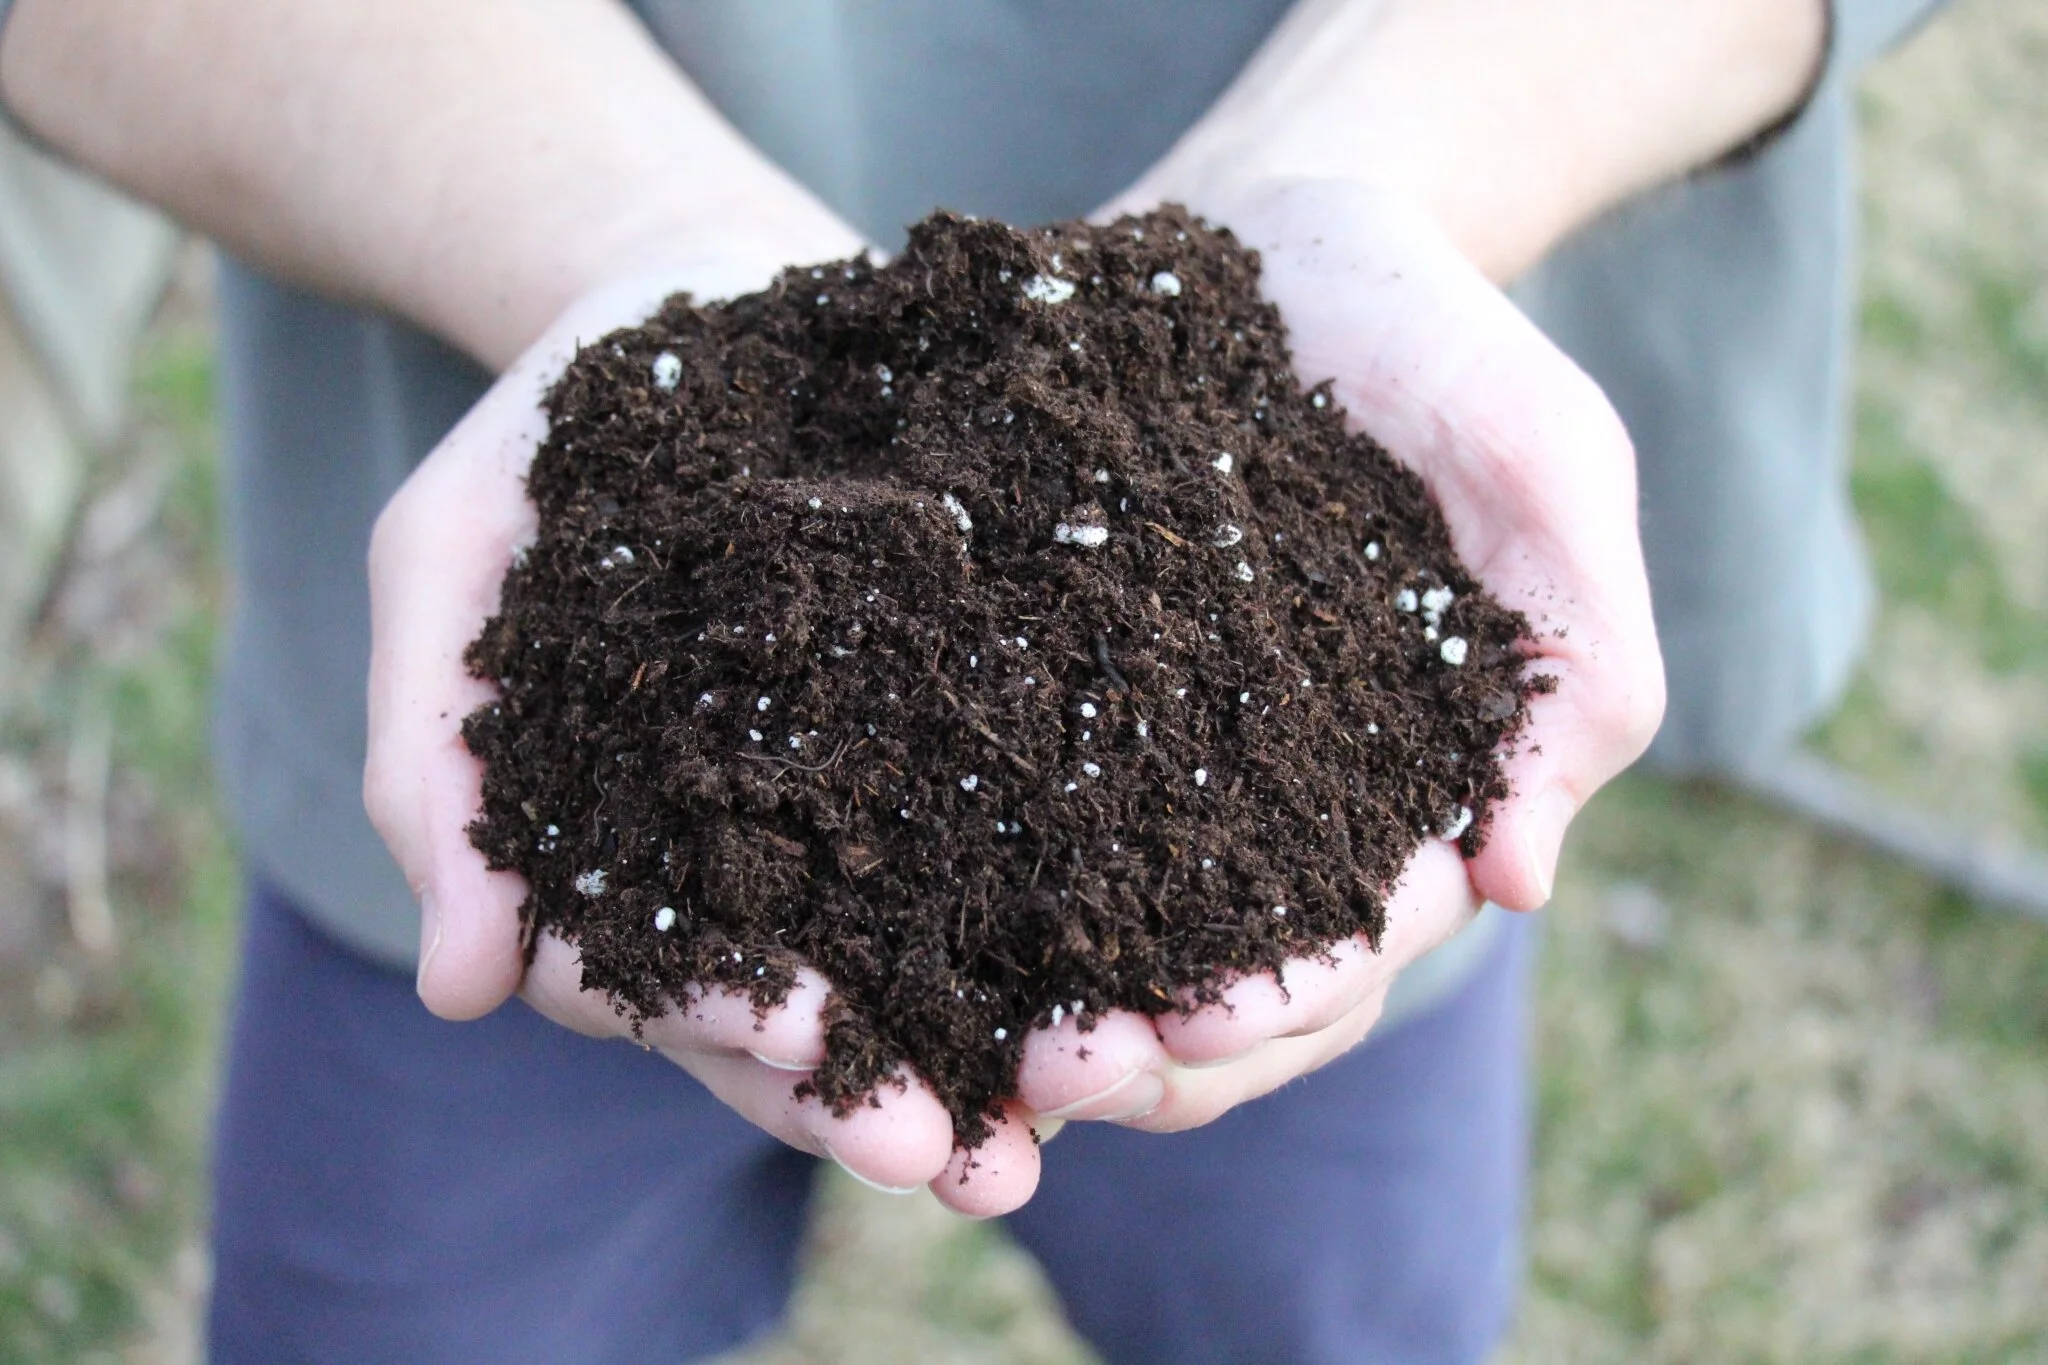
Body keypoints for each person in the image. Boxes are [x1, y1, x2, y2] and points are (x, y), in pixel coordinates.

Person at [0, 1, 1943, 1360]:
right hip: (506, 700)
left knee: (1330, 1312)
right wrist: (611, 235)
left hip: (1328, 747)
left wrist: (1383, 163)